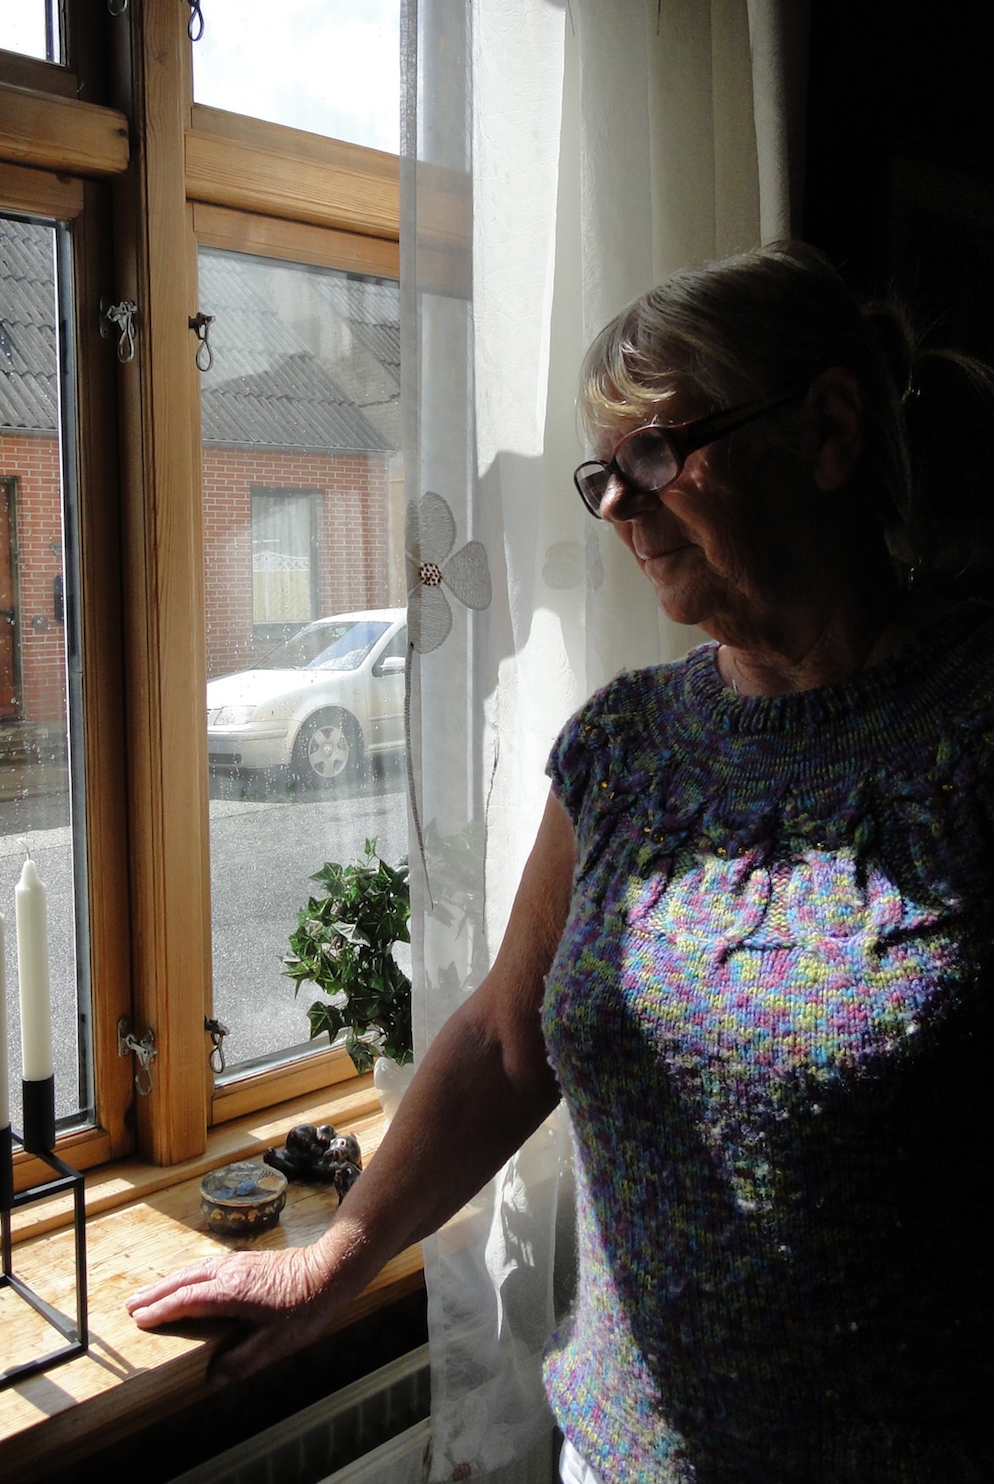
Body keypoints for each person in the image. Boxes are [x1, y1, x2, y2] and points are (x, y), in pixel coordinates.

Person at [128, 242, 994, 1482]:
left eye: (657, 454)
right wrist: (334, 1257)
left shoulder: (972, 730)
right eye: (604, 471)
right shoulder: (626, 747)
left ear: (828, 432)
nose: (618, 507)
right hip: (620, 1459)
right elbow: (504, 1039)